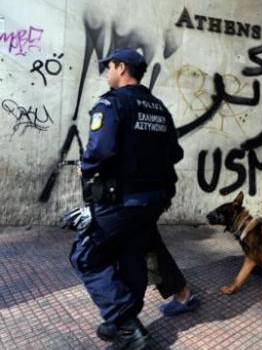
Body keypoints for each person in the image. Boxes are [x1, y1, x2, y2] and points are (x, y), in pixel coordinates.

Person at [69, 48, 193, 349]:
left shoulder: (111, 104)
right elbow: (175, 153)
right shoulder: (158, 107)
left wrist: (85, 170)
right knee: (132, 253)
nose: (106, 72)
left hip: (121, 200)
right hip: (156, 199)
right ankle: (123, 318)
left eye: (108, 67)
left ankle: (127, 326)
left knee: (86, 257)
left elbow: (99, 151)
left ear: (121, 68)